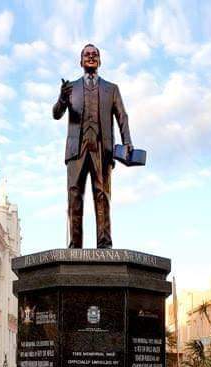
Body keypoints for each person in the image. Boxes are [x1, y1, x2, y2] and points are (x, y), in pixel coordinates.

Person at [53, 44, 133, 249]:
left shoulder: (111, 89)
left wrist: (127, 142)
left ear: (99, 60)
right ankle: (75, 246)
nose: (91, 57)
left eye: (94, 54)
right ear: (80, 61)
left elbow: (122, 116)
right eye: (87, 55)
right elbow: (56, 114)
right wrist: (62, 98)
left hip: (102, 150)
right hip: (76, 150)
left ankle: (104, 244)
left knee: (102, 196)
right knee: (74, 197)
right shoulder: (70, 88)